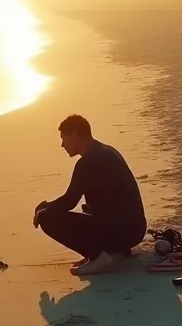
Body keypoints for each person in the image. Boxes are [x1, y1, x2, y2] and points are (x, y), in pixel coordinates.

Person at [32, 114, 147, 275]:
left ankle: (98, 258)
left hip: (122, 233)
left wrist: (44, 211)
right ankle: (109, 253)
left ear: (75, 135)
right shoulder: (106, 151)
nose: (62, 145)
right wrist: (48, 206)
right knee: (86, 207)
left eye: (64, 138)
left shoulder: (87, 162)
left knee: (47, 218)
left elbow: (70, 201)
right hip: (134, 231)